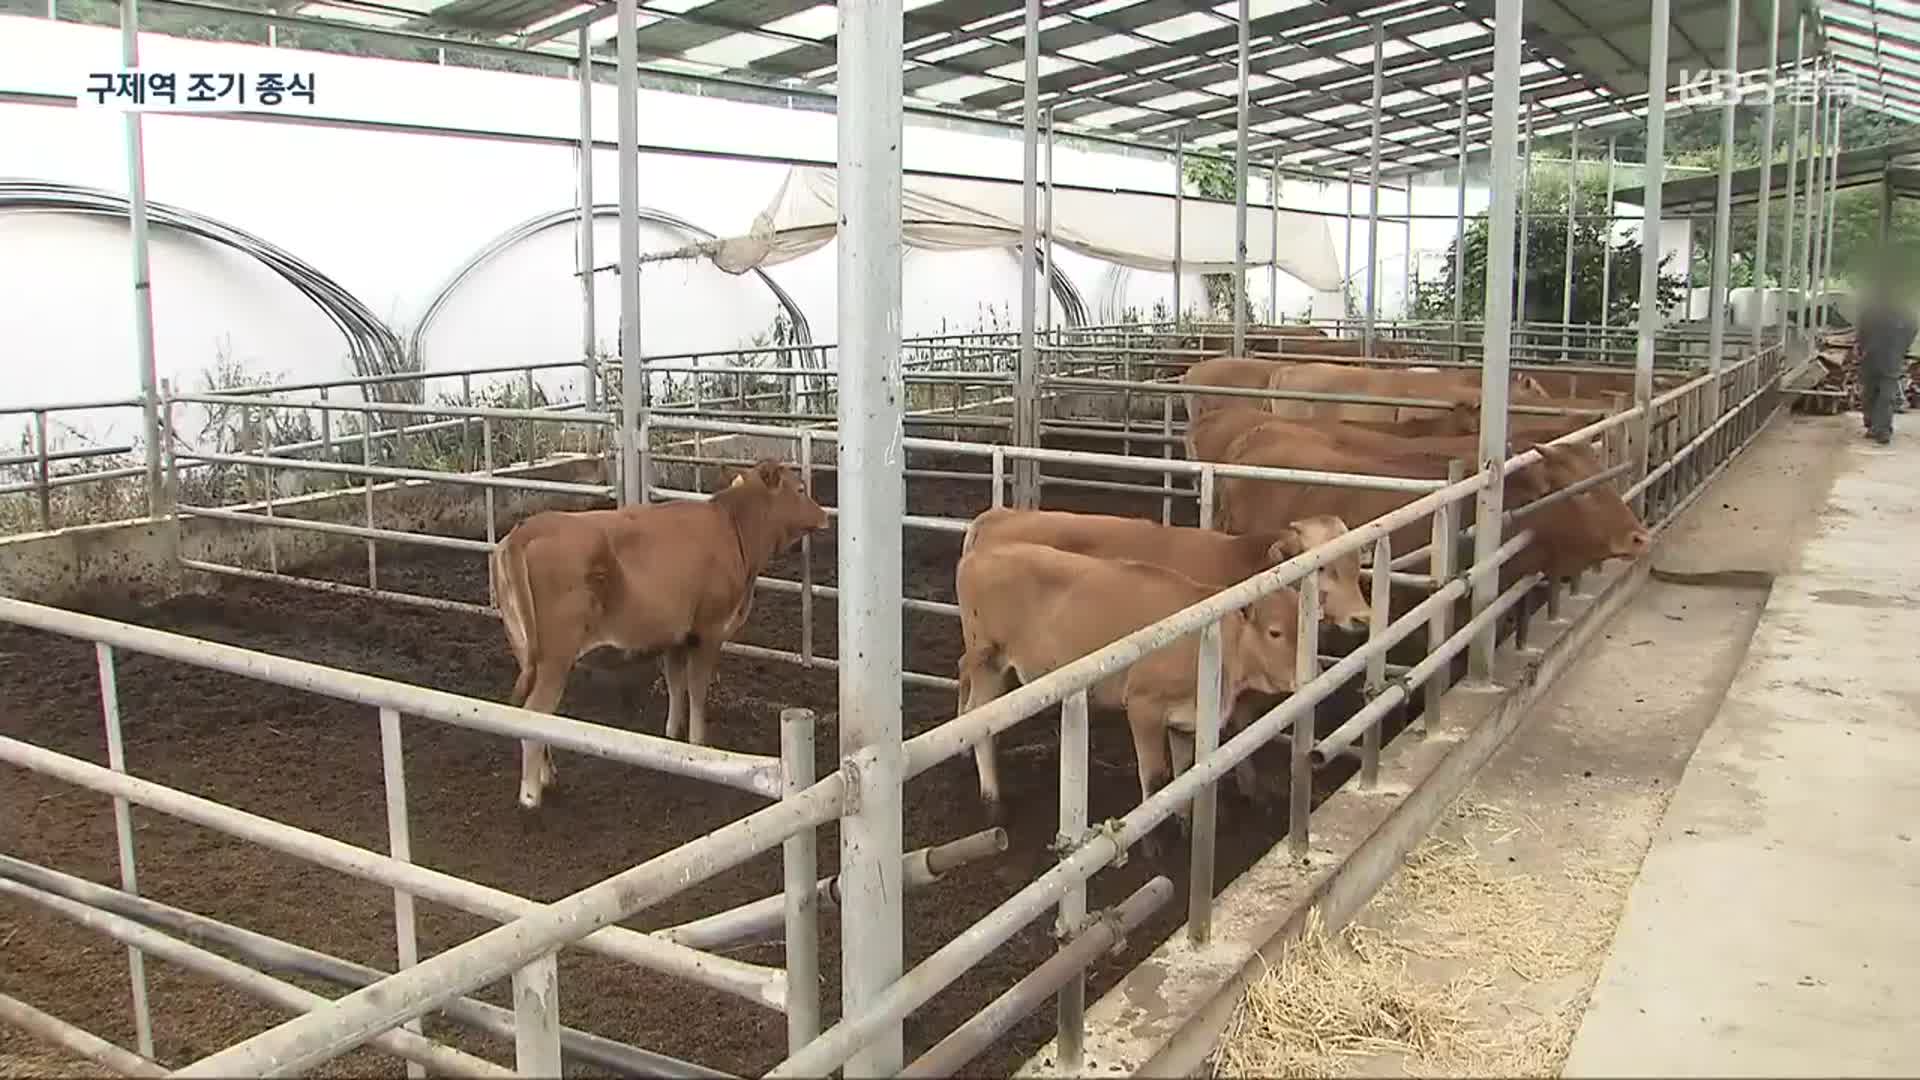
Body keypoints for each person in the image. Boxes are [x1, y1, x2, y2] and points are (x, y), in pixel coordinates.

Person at [1855, 283, 1917, 446]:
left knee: (1886, 396)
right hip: (1871, 359)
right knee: (1870, 394)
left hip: (1891, 359)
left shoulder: (1904, 314)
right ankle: (1872, 424)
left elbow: (1912, 329)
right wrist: (1862, 348)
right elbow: (1861, 332)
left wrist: (1902, 347)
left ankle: (1883, 430)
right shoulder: (1870, 312)